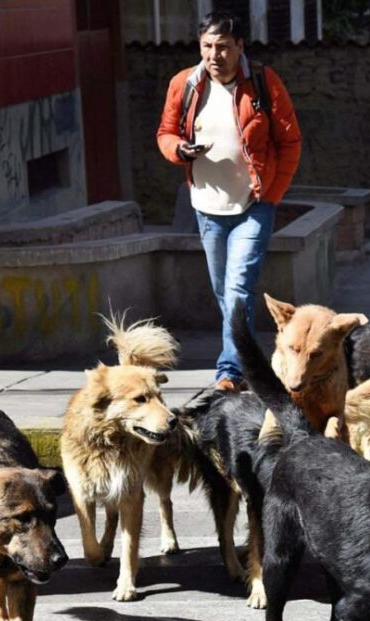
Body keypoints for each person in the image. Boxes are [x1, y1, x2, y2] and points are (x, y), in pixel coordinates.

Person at [157, 11, 302, 392]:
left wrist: (271, 195)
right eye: (207, 46)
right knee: (225, 293)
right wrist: (180, 151)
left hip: (253, 205)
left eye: (223, 46)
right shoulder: (185, 84)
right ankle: (251, 362)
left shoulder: (264, 84)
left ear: (240, 46)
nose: (214, 54)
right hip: (206, 207)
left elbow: (290, 143)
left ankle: (230, 371)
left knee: (238, 288)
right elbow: (165, 132)